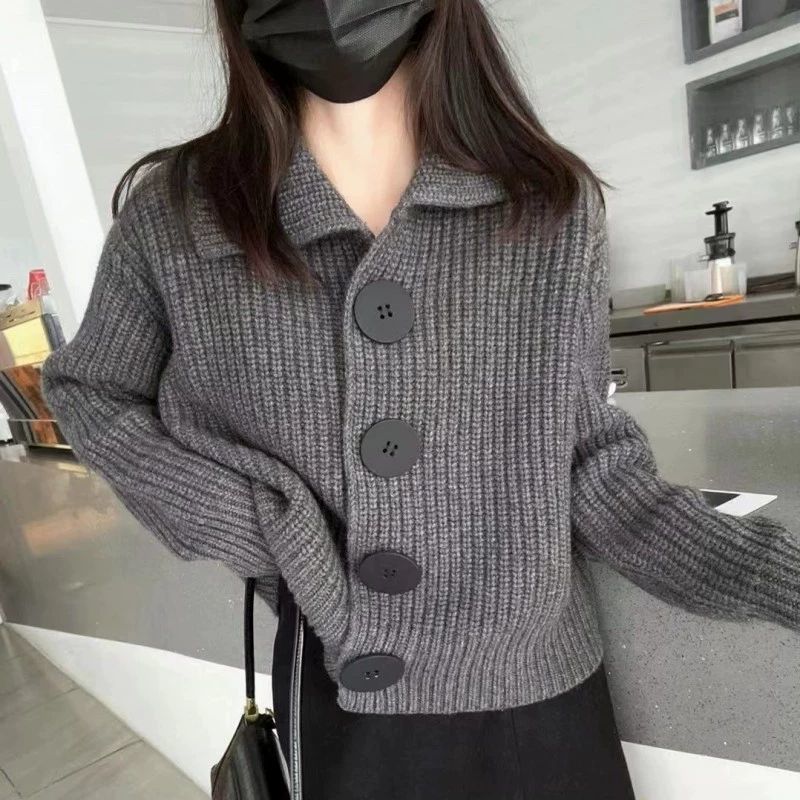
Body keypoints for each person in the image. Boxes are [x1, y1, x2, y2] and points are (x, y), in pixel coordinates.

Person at [40, 1, 800, 798]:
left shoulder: (546, 203)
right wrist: (253, 520)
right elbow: (92, 390)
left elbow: (590, 468)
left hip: (534, 699)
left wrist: (772, 572)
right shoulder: (178, 216)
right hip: (337, 691)